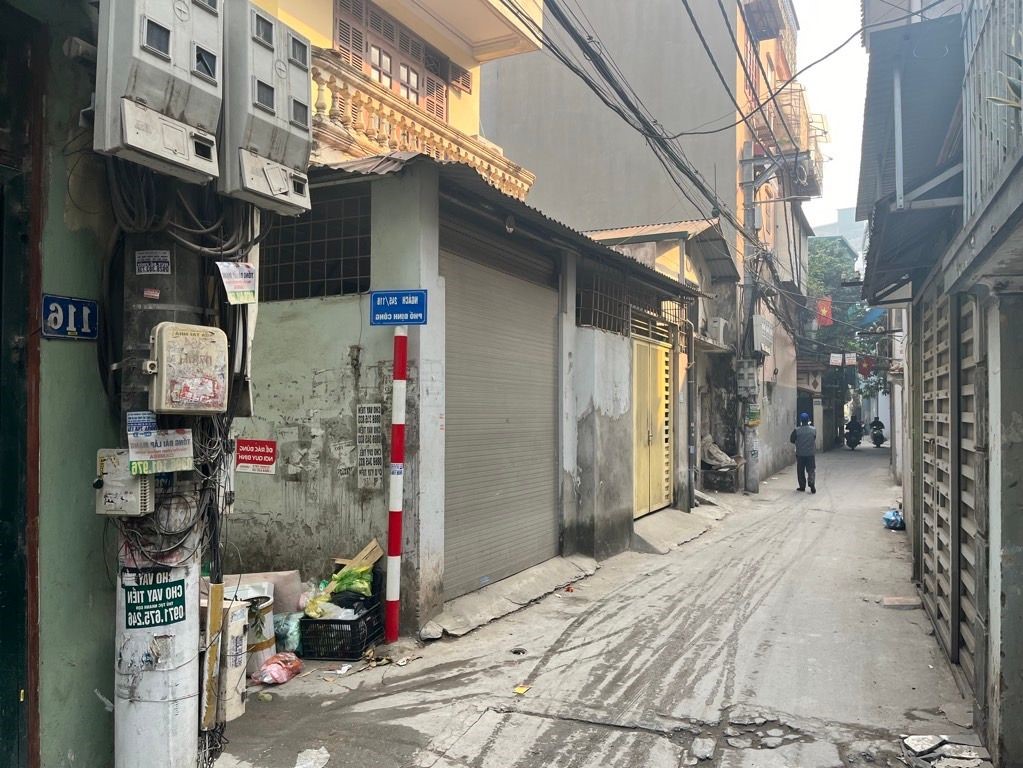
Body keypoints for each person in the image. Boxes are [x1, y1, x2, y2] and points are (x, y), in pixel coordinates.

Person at [789, 412, 817, 493]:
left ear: (801, 420)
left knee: (800, 471)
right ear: (808, 420)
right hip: (810, 454)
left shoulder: (797, 430)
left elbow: (791, 440)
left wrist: (798, 442)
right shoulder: (813, 430)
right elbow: (814, 438)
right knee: (811, 469)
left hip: (800, 454)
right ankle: (811, 482)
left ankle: (802, 486)